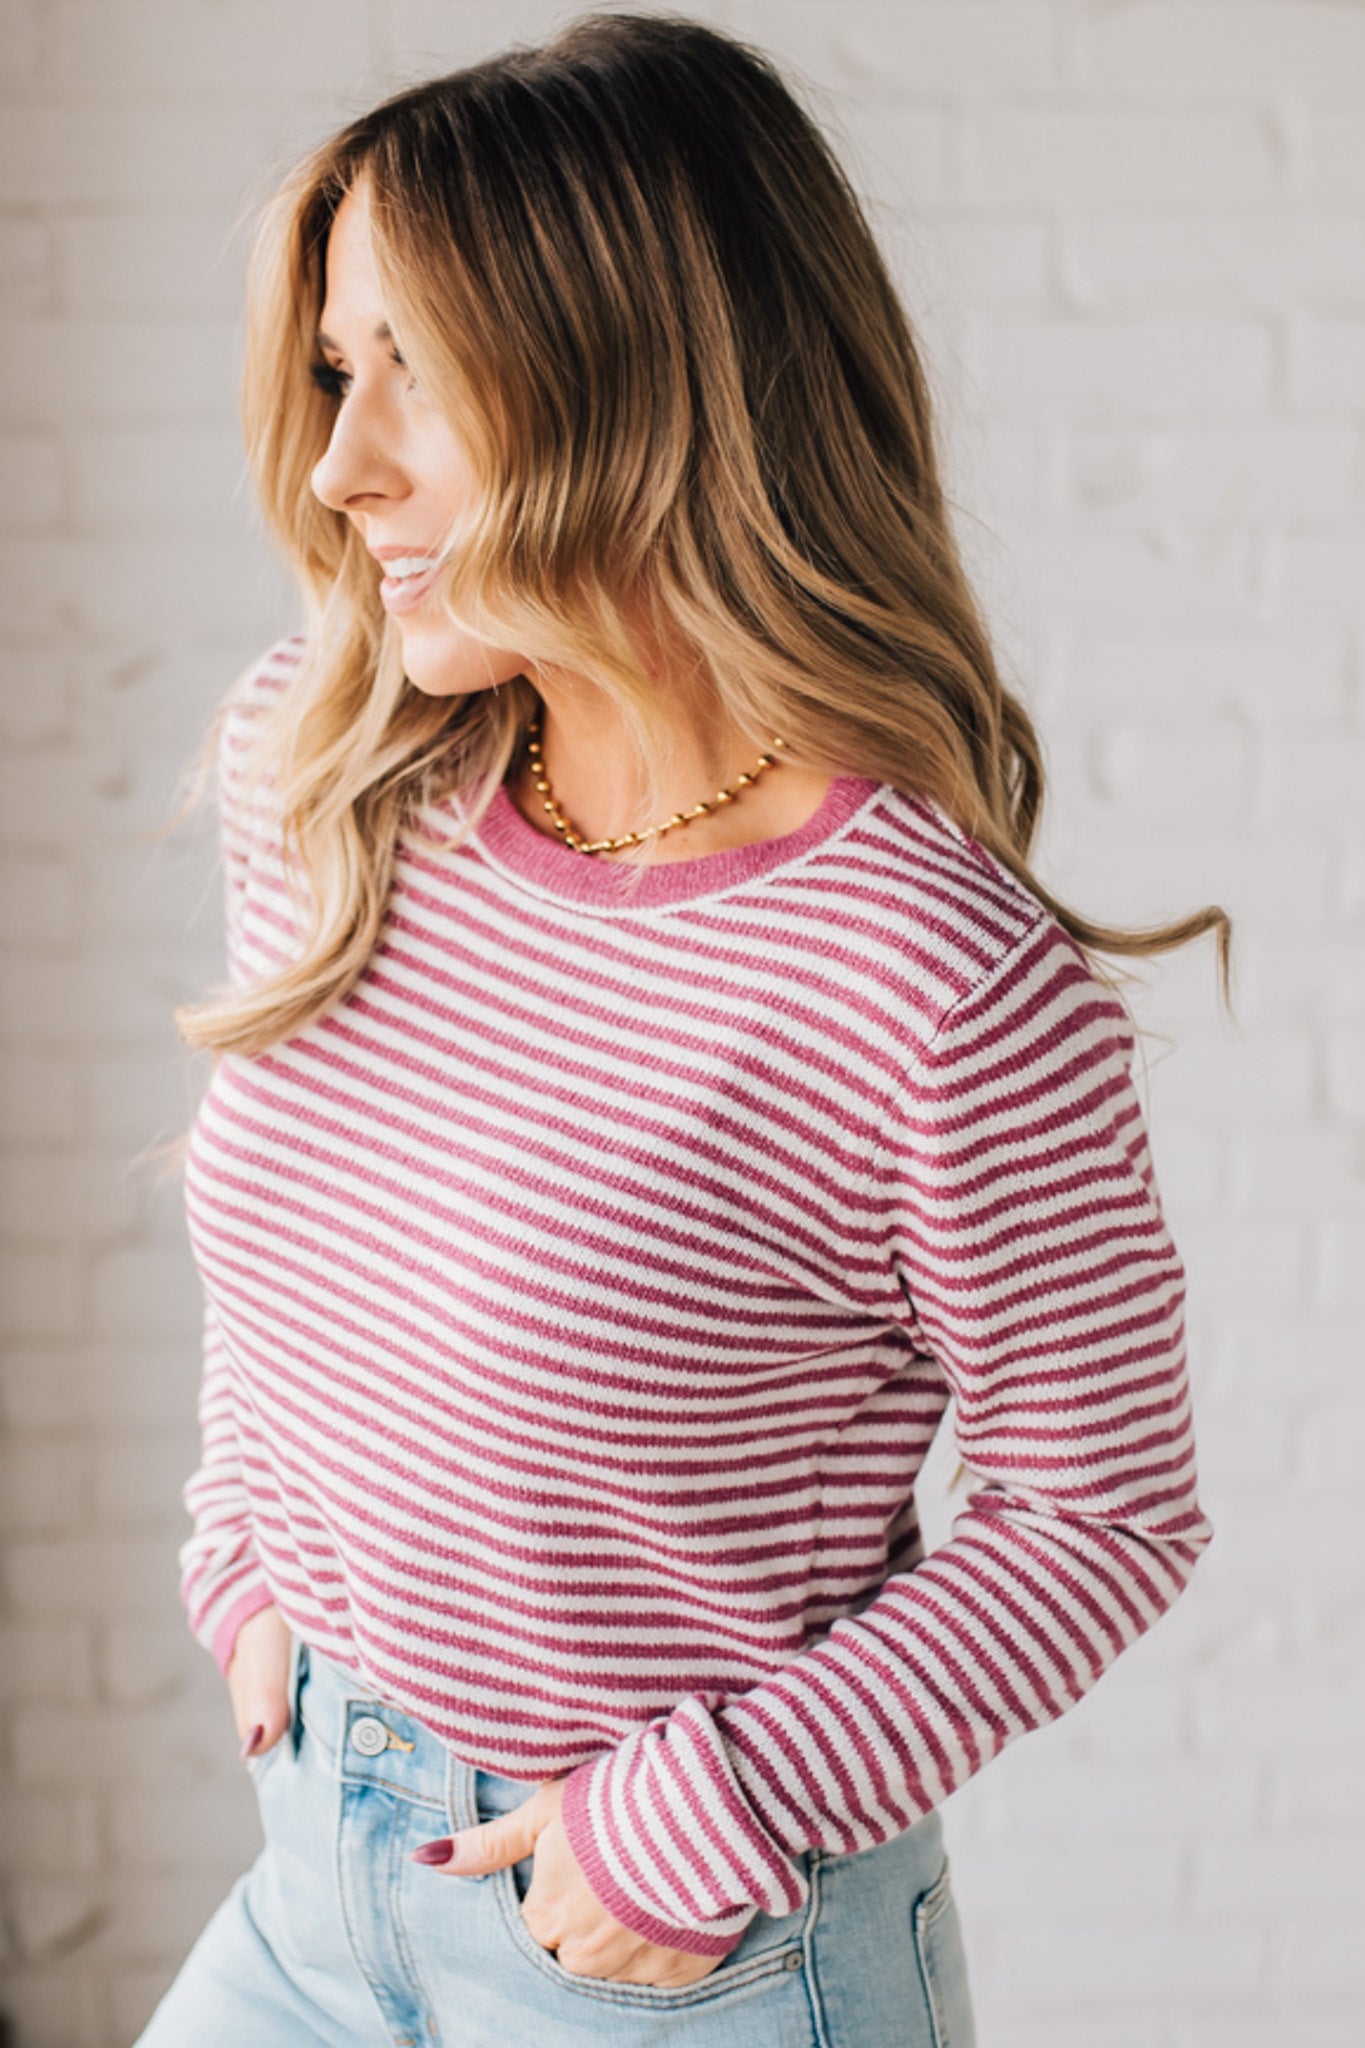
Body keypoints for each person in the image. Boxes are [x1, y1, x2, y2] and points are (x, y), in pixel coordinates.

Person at [135, 11, 1229, 2045]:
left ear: (641, 389)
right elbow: (289, 1236)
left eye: (416, 379)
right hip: (312, 1884)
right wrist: (243, 1544)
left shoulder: (920, 971)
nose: (338, 464)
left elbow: (1103, 1509)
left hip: (671, 1952)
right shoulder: (323, 771)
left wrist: (701, 1812)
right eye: (330, 369)